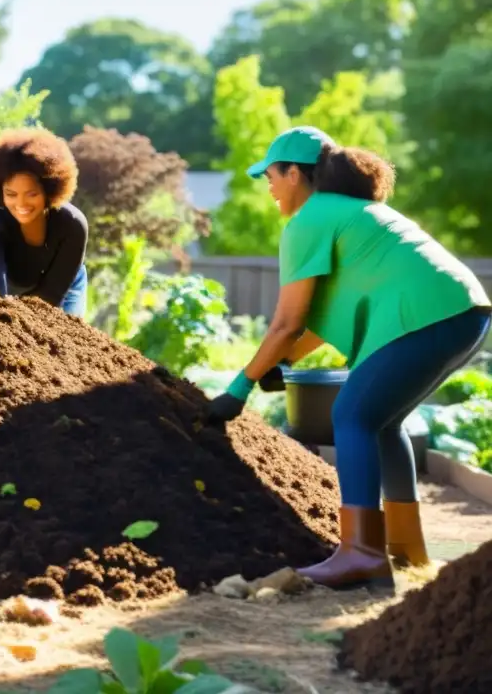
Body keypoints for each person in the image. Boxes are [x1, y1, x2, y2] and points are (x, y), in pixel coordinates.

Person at [207, 126, 491, 589]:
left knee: (352, 415)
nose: (270, 187)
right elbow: (313, 326)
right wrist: (277, 365)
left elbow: (285, 324)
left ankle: (360, 553)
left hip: (426, 315)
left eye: (272, 176)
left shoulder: (309, 219)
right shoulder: (353, 213)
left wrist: (238, 390)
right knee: (383, 423)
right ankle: (406, 549)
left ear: (294, 173)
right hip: (465, 311)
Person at [0, 127, 88, 317]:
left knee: (62, 335)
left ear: (49, 191)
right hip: (11, 284)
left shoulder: (73, 225)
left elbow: (51, 297)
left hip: (64, 285)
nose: (21, 204)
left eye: (32, 194)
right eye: (11, 194)